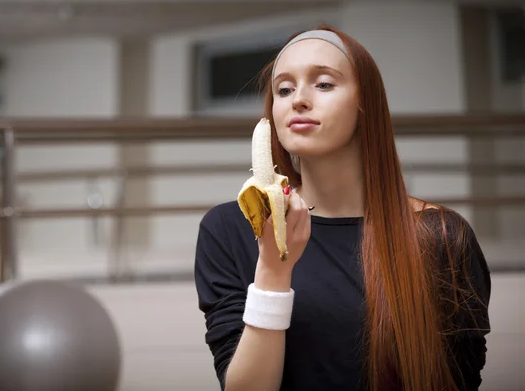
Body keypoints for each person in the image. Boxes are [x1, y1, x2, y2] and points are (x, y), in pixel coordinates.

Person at [193, 25, 491, 391]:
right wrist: (272, 271)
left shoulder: (442, 234)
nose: (298, 99)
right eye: (283, 90)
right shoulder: (230, 228)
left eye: (323, 84)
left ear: (365, 104)